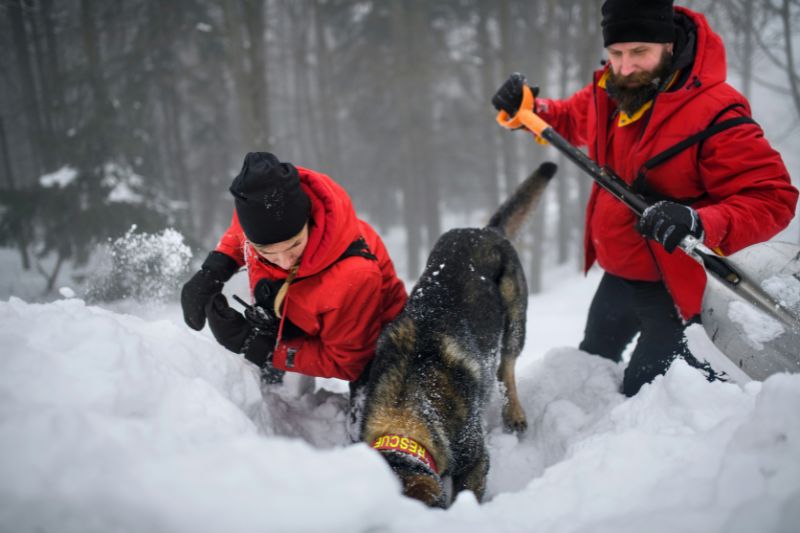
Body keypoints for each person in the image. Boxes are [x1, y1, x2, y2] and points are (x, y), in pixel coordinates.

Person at [492, 0, 798, 396]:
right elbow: (569, 118)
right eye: (616, 53)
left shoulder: (715, 112)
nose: (625, 65)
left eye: (640, 52)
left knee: (644, 395)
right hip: (619, 273)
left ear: (668, 46)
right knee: (588, 369)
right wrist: (530, 109)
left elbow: (773, 197)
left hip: (678, 287)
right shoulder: (612, 89)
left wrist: (699, 221)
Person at [180, 152, 407, 428]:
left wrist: (255, 345)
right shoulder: (263, 206)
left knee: (368, 425)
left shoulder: (353, 277)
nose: (285, 261)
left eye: (293, 246)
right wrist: (214, 271)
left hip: (371, 343)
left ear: (309, 218)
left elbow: (347, 362)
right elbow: (241, 231)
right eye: (267, 252)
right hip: (302, 308)